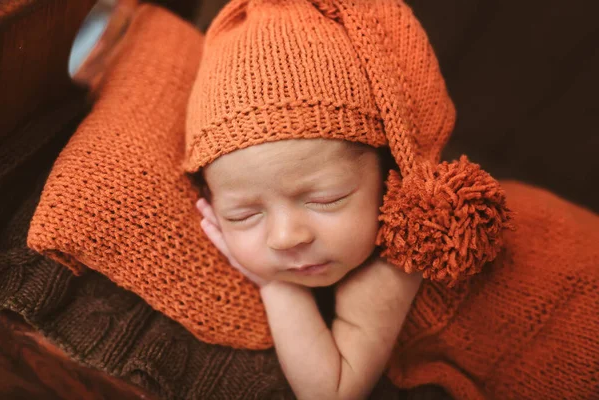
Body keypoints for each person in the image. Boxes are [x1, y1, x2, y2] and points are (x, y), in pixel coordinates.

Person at [183, 0, 599, 399]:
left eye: (326, 199)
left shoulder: (399, 260)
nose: (286, 236)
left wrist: (275, 287)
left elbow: (330, 390)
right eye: (243, 215)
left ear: (390, 176)